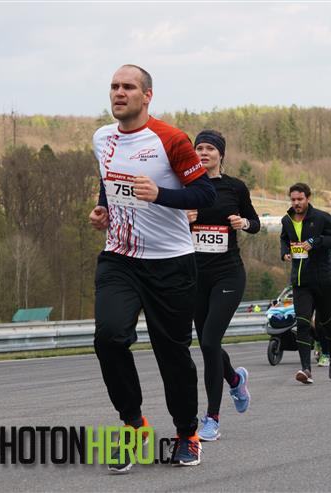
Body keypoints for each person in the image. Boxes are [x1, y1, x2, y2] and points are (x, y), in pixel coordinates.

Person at [90, 64, 216, 470]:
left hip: (170, 262)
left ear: (147, 96)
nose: (119, 92)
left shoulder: (171, 139)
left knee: (172, 354)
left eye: (128, 87)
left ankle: (187, 433)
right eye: (114, 86)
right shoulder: (102, 138)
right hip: (120, 258)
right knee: (109, 338)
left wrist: (161, 194)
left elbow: (206, 193)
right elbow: (109, 182)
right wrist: (103, 209)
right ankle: (133, 424)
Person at [186, 129, 257, 442]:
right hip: (195, 276)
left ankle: (212, 418)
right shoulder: (186, 187)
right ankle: (235, 380)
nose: (203, 153)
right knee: (207, 343)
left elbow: (255, 222)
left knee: (210, 342)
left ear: (220, 154)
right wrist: (183, 219)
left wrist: (244, 223)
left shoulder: (235, 187)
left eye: (209, 149)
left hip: (228, 274)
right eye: (199, 148)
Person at [280, 183, 331, 384]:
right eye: (293, 199)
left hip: (323, 280)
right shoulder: (286, 220)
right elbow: (284, 239)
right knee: (302, 322)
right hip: (301, 281)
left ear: (308, 198)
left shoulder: (322, 218)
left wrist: (316, 242)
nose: (296, 203)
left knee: (325, 322)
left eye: (300, 199)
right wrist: (285, 252)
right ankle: (306, 369)